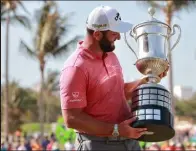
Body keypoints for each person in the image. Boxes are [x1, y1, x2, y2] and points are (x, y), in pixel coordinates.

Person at [60, 5, 168, 151]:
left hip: (129, 141)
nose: (118, 37)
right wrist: (116, 129)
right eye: (114, 33)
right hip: (97, 144)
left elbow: (118, 92)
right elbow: (72, 118)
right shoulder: (75, 68)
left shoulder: (111, 56)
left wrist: (145, 81)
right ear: (97, 35)